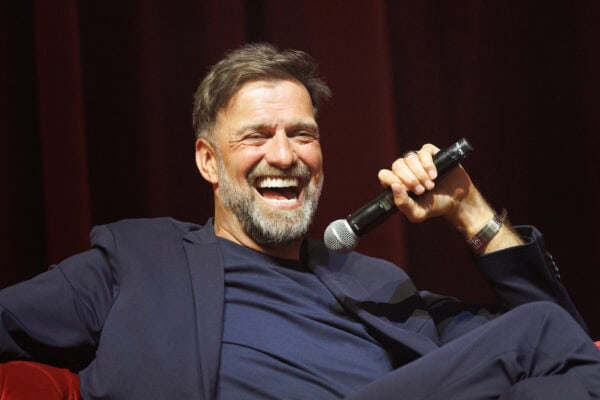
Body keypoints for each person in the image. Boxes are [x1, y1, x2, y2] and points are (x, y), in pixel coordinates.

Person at [1, 43, 599, 400]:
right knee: (537, 330)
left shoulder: (374, 284)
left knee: (544, 343)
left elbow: (573, 354)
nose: (284, 155)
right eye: (257, 136)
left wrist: (468, 208)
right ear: (209, 161)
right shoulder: (134, 260)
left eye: (302, 135)